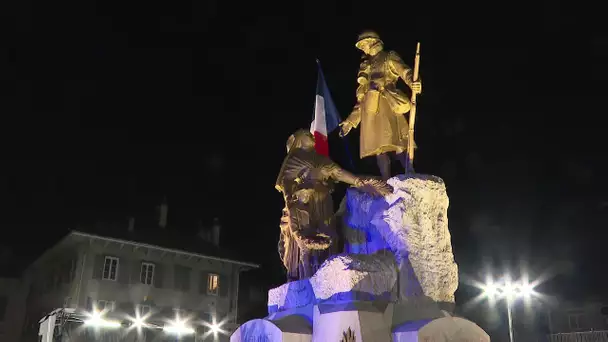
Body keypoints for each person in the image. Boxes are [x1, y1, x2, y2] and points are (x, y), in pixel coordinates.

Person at [275, 129, 391, 280]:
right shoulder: (295, 157)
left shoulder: (321, 159)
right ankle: (307, 275)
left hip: (324, 201)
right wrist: (291, 200)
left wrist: (358, 182)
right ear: (298, 140)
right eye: (305, 134)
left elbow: (338, 173)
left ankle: (326, 272)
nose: (310, 135)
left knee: (328, 232)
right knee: (309, 234)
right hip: (308, 199)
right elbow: (286, 181)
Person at [340, 31, 422, 179]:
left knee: (399, 144)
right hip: (371, 110)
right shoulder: (365, 67)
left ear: (373, 41)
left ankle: (410, 173)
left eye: (364, 44)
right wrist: (350, 122)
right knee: (379, 149)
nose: (363, 48)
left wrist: (413, 82)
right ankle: (386, 179)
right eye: (361, 46)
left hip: (388, 103)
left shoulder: (388, 57)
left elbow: (405, 71)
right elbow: (361, 100)